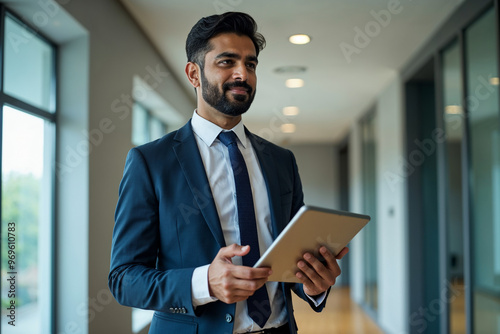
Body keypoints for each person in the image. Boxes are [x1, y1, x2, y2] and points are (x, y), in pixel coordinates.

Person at [108, 11, 348, 334]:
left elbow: (291, 265)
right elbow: (124, 278)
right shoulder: (150, 162)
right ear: (194, 74)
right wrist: (203, 282)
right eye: (227, 62)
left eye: (250, 64)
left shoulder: (281, 162)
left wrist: (314, 285)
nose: (243, 74)